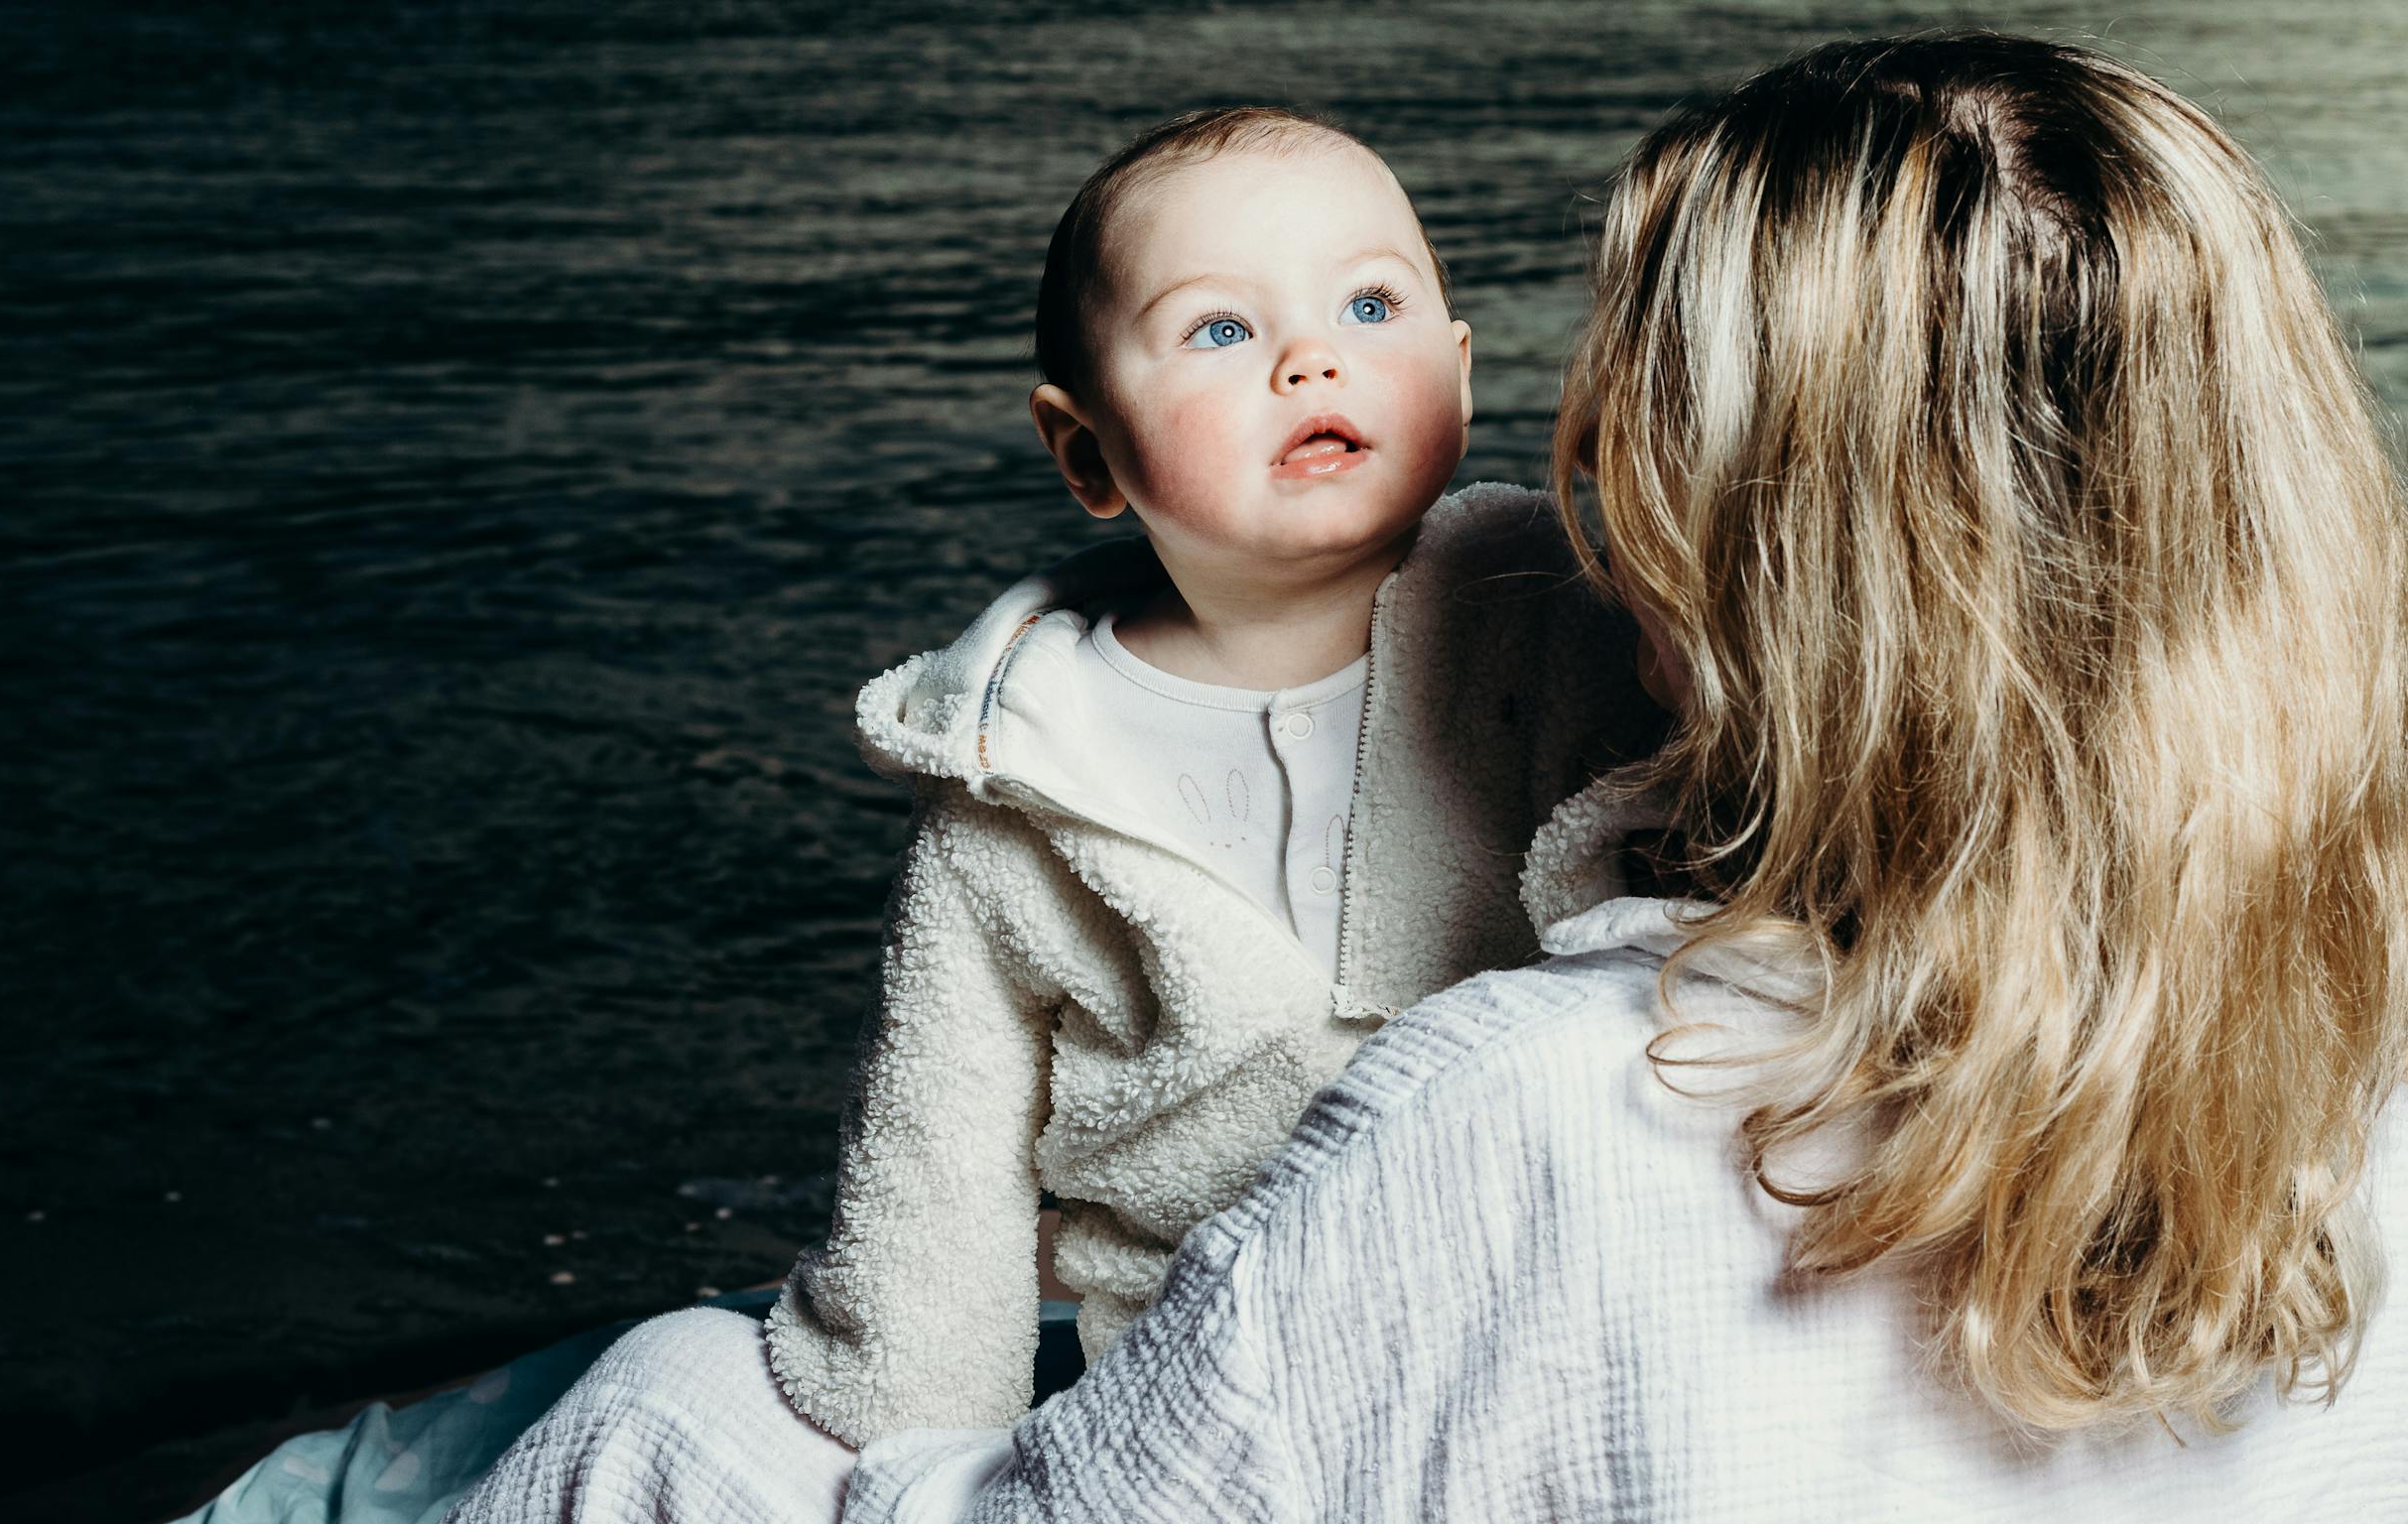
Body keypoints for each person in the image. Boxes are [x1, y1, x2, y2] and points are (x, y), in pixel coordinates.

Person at [445, 32, 2408, 1521]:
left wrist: (663, 1411)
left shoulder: (1521, 1124)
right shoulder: (2359, 996)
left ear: (1717, 556)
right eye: (1228, 330)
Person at [762, 105, 1661, 1447]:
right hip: (1199, 1372)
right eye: (1222, 331)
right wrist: (906, 1429)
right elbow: (937, 1161)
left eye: (1370, 304)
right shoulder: (1025, 764)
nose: (1312, 360)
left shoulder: (1576, 639)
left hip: (1541, 1312)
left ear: (1462, 379)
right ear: (1088, 454)